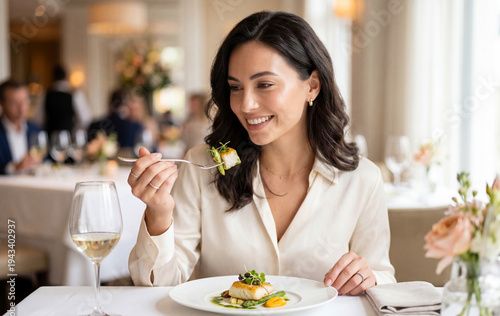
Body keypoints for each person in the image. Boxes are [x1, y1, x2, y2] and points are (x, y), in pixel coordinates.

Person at [127, 11, 395, 295]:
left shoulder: (362, 179)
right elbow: (155, 286)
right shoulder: (200, 164)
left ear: (312, 86)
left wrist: (369, 279)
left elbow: (383, 278)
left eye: (264, 84)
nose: (246, 104)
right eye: (235, 88)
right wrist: (158, 214)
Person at [35, 65, 92, 138]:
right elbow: (86, 119)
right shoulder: (75, 94)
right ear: (67, 77)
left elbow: (38, 120)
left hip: (50, 138)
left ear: (52, 77)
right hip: (70, 138)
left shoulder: (45, 95)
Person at [0, 79, 42, 174]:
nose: (22, 107)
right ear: (2, 104)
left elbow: (46, 158)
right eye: (14, 102)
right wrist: (14, 167)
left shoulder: (36, 129)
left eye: (25, 101)